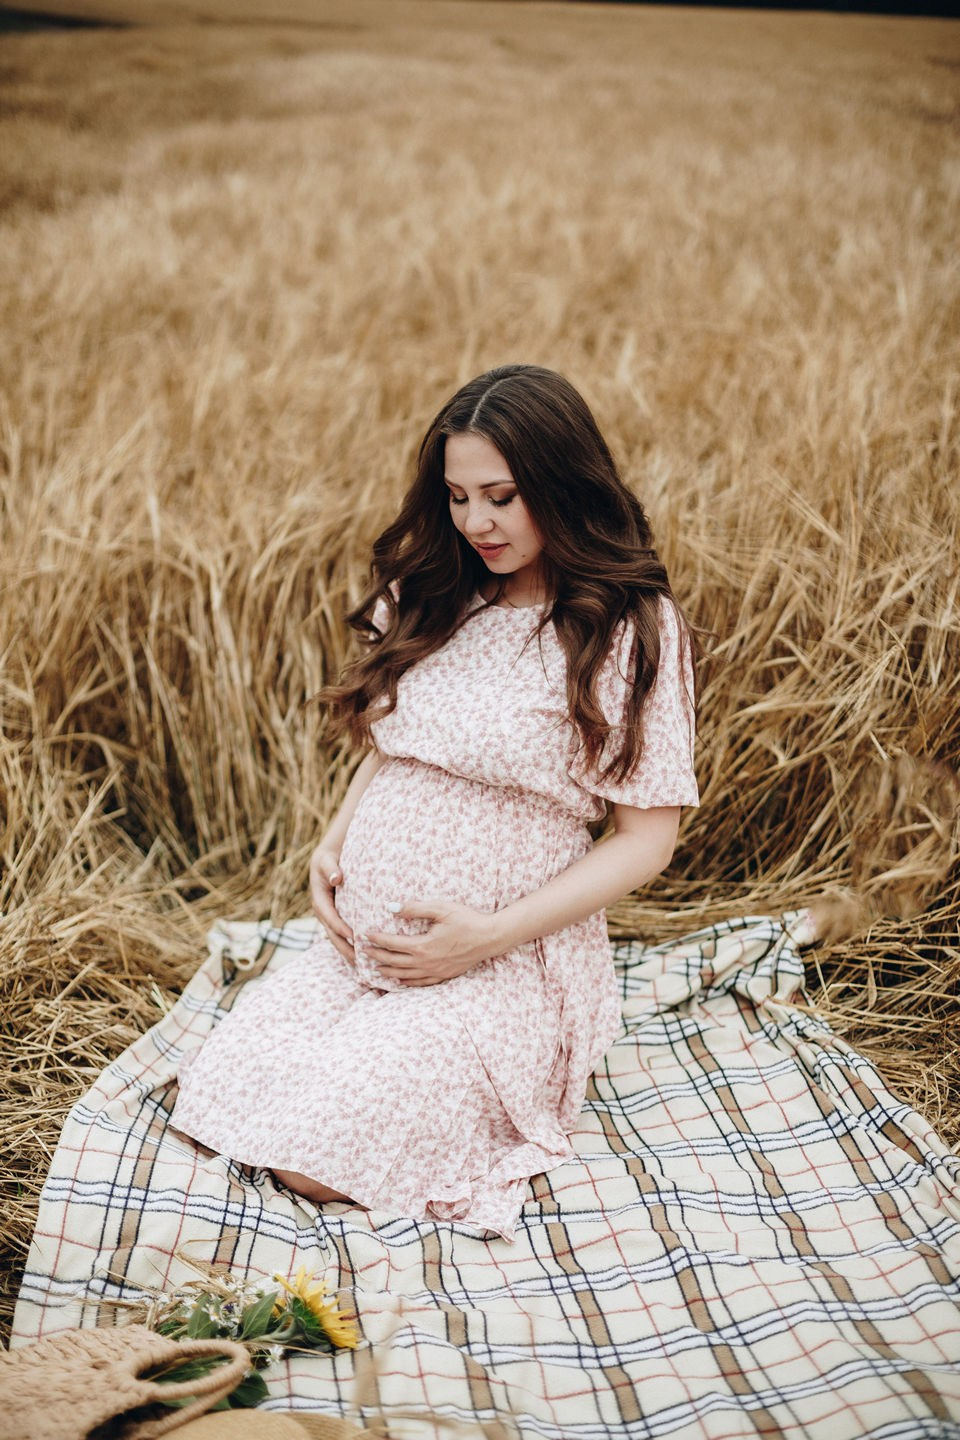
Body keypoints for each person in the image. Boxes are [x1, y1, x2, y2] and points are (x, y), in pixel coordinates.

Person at [171, 364, 699, 1240]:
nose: (475, 523)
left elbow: (646, 841)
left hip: (502, 961)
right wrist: (334, 844)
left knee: (318, 1160)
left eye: (501, 496)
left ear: (563, 485)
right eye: (457, 497)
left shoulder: (625, 626)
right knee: (221, 1087)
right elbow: (395, 743)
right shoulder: (438, 590)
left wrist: (487, 934)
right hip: (362, 948)